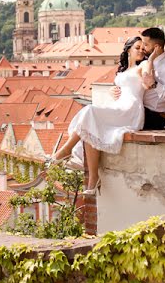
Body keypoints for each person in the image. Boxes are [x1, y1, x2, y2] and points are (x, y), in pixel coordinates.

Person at [45, 36, 152, 195]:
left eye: (143, 49)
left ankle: (66, 150)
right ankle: (93, 179)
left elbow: (147, 81)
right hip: (119, 105)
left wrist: (152, 60)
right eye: (137, 47)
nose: (141, 51)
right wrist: (112, 90)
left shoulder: (144, 64)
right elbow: (122, 86)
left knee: (89, 111)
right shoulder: (124, 70)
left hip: (130, 110)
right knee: (91, 128)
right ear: (128, 49)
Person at [113, 27, 165, 129]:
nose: (142, 48)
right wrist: (115, 90)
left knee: (112, 121)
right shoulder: (146, 60)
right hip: (140, 108)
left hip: (155, 115)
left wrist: (155, 85)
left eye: (145, 45)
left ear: (156, 47)